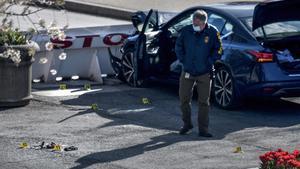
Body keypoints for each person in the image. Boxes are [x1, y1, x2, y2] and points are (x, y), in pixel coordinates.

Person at [175, 10, 222, 137]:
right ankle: (187, 124)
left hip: (204, 72)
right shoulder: (186, 31)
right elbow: (178, 46)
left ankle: (203, 129)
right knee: (184, 99)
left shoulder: (212, 32)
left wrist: (210, 61)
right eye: (193, 21)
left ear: (203, 22)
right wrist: (183, 60)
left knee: (204, 102)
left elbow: (219, 49)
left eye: (196, 22)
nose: (194, 24)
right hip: (188, 71)